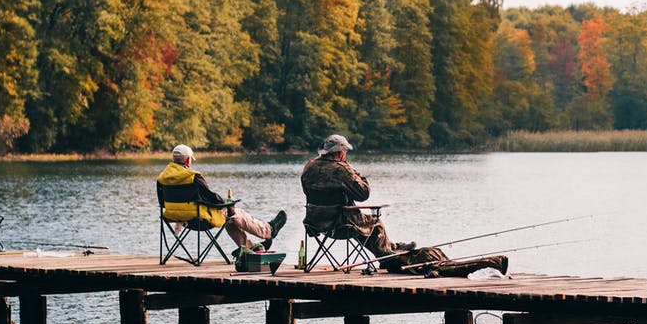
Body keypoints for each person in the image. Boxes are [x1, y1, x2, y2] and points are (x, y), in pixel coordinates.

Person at [301, 134, 508, 277]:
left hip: (315, 223)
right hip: (340, 223)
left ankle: (392, 250)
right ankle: (390, 255)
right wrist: (354, 171)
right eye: (345, 153)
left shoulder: (309, 167)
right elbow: (363, 194)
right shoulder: (341, 169)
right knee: (375, 222)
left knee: (365, 225)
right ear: (340, 153)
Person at [157, 144, 286, 255]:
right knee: (235, 213)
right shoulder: (192, 177)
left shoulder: (162, 178)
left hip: (175, 218)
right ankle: (269, 230)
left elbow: (162, 202)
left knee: (230, 218)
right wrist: (226, 203)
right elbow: (212, 198)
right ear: (187, 160)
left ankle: (250, 248)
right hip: (199, 219)